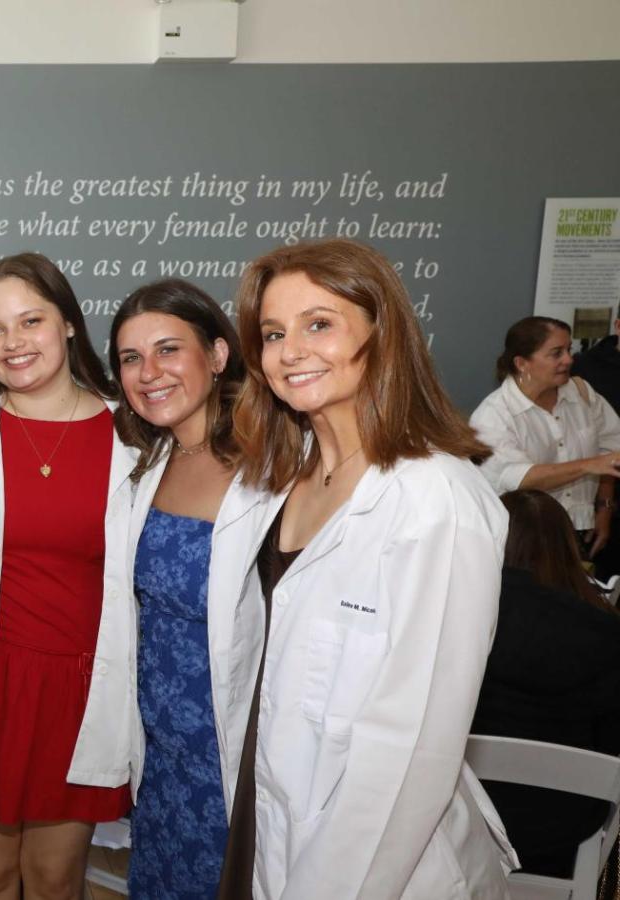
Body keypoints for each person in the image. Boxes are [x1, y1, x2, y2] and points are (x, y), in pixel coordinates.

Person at [218, 238, 516, 898]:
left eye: (319, 324)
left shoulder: (435, 500)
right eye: (273, 333)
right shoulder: (275, 480)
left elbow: (411, 750)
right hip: (266, 814)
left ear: (382, 335)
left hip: (374, 862)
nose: (290, 351)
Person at [0, 252, 131, 900]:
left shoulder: (132, 432)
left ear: (68, 322)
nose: (13, 342)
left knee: (53, 879)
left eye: (31, 321)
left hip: (78, 693)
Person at [105, 279, 274, 898]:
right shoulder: (147, 464)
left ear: (219, 354)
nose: (149, 372)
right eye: (131, 358)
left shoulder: (275, 466)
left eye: (168, 349)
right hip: (160, 752)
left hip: (235, 751)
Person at [473, 489, 620, 880]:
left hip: (461, 826)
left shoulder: (460, 615)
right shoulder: (605, 634)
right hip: (562, 836)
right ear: (567, 549)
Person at [471, 316, 620, 562]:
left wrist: (604, 508)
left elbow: (610, 449)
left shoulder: (582, 393)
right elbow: (519, 478)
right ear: (522, 363)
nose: (569, 360)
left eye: (569, 349)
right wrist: (588, 465)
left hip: (581, 530)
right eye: (556, 353)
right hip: (524, 539)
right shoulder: (493, 416)